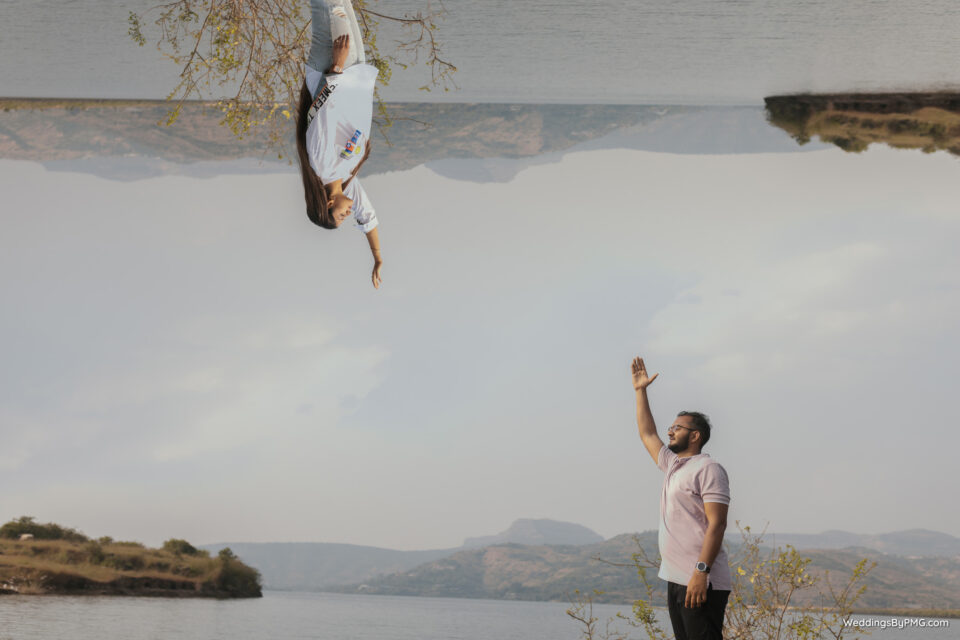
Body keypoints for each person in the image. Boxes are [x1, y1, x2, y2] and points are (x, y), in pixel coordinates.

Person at [631, 356, 731, 640]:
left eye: (678, 428)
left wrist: (701, 572)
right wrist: (640, 391)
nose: (670, 431)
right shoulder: (673, 466)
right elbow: (647, 433)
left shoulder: (708, 468)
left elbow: (718, 524)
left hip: (701, 580)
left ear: (695, 436)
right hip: (677, 579)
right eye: (671, 427)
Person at [296, 0, 383, 288]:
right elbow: (367, 215)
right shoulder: (345, 178)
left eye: (341, 216)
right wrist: (377, 257)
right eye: (346, 218)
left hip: (333, 66)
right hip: (354, 72)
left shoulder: (322, 164)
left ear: (329, 203)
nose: (349, 215)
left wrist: (336, 66)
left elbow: (320, 112)